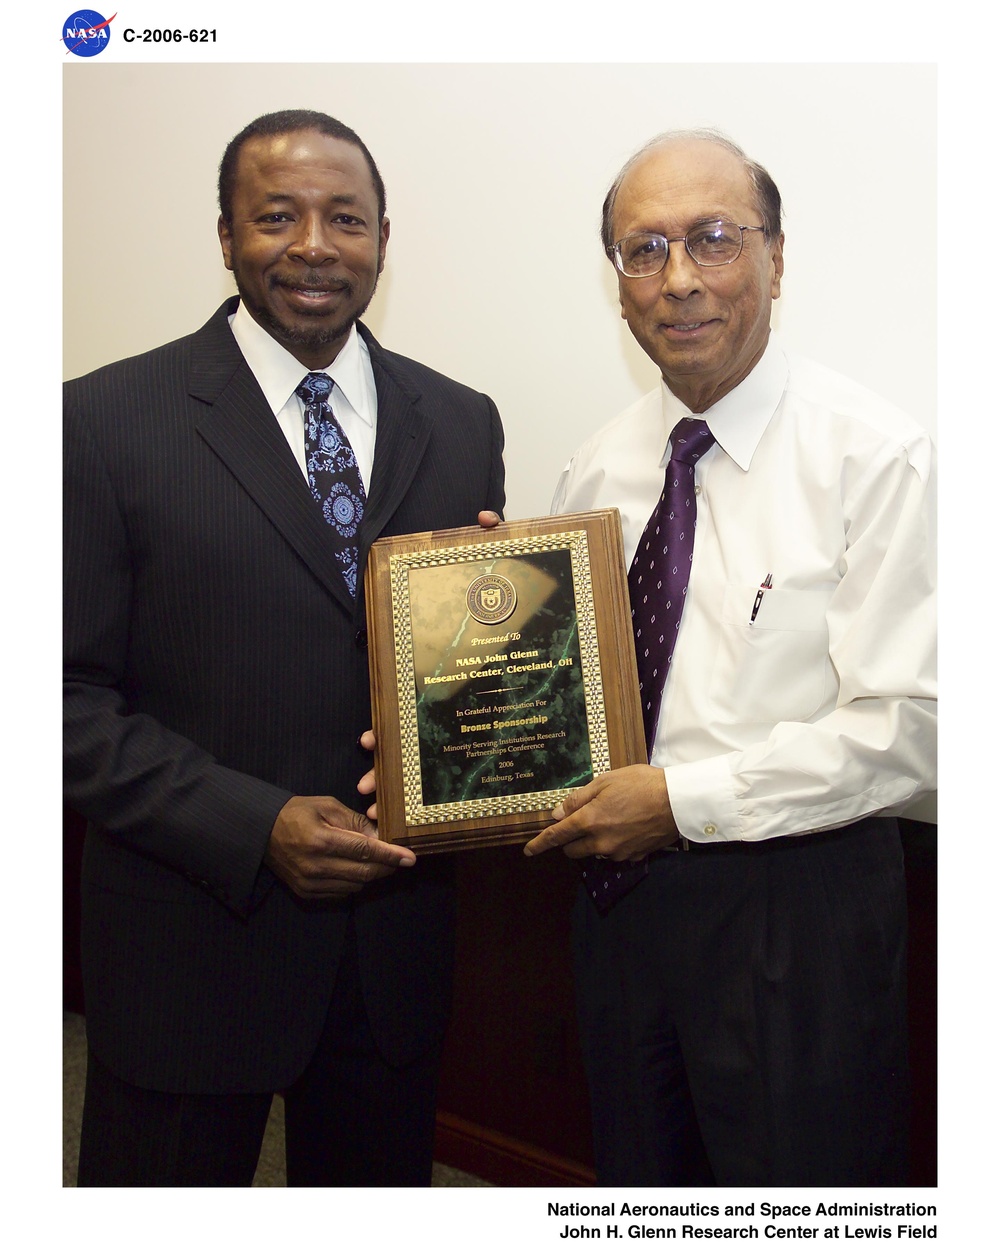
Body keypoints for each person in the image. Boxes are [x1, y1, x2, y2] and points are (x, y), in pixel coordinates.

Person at [64, 109, 505, 1186]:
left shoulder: (462, 422)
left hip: (391, 958)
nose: (314, 245)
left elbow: (458, 675)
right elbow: (55, 696)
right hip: (187, 950)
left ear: (383, 240)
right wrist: (252, 823)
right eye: (276, 217)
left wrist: (510, 651)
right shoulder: (99, 420)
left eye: (345, 219)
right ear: (225, 236)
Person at [521, 130, 936, 1186]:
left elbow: (912, 728)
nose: (678, 279)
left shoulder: (873, 456)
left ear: (776, 258)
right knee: (640, 1178)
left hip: (798, 905)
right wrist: (484, 645)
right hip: (617, 903)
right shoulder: (597, 464)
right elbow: (569, 690)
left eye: (713, 238)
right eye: (643, 249)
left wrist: (681, 802)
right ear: (617, 284)